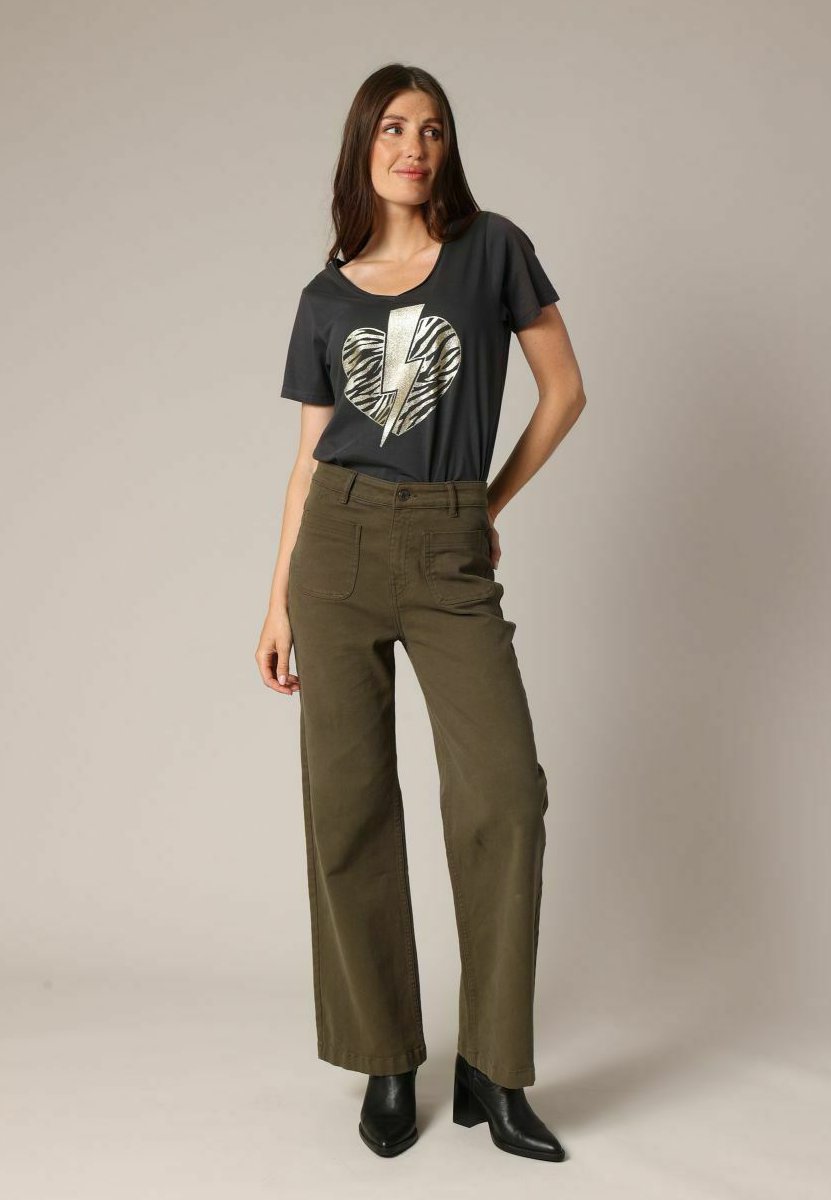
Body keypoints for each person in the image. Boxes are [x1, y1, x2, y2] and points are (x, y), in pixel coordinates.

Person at [255, 63, 586, 1162]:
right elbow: (309, 461)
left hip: (446, 545)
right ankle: (386, 1057)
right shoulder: (327, 296)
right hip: (337, 550)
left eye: (433, 129)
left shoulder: (493, 250)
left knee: (505, 794)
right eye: (394, 127)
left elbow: (564, 392)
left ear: (449, 148)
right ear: (364, 146)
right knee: (347, 806)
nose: (414, 146)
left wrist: (482, 505)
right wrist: (275, 600)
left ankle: (493, 1066)